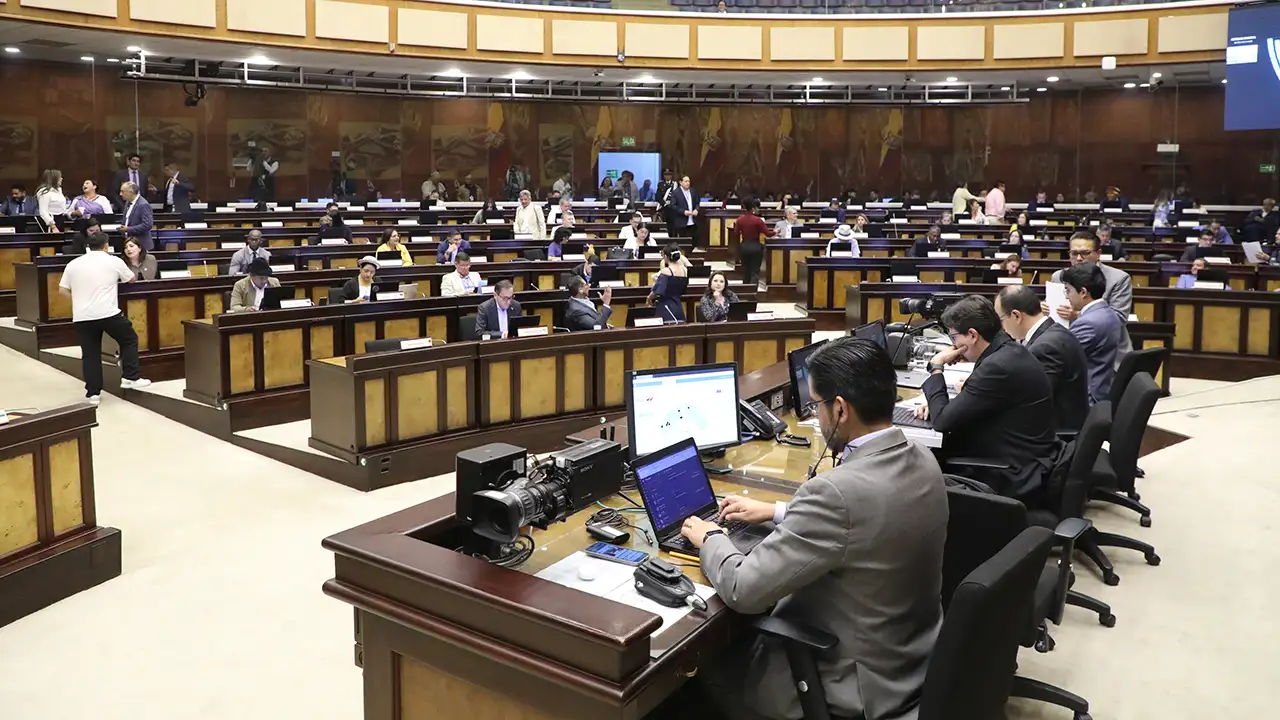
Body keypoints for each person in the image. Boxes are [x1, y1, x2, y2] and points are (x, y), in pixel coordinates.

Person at [678, 337, 946, 720]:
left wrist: (711, 537)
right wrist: (776, 511)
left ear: (839, 409)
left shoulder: (837, 492)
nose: (815, 415)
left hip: (845, 682)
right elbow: (867, 522)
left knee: (688, 671)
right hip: (910, 659)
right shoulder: (923, 457)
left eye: (816, 404)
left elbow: (743, 588)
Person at [915, 295, 1058, 500]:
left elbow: (942, 421)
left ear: (972, 335)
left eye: (954, 337)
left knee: (921, 465)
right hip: (1026, 458)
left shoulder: (997, 366)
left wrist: (936, 367)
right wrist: (938, 403)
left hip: (1010, 473)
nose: (953, 345)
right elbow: (973, 404)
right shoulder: (1008, 351)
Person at [57, 233, 151, 404]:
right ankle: (130, 377)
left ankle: (93, 394)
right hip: (108, 313)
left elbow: (62, 290)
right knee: (129, 339)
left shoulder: (73, 264)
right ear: (106, 246)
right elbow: (131, 279)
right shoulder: (113, 261)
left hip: (82, 316)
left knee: (90, 354)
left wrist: (78, 299)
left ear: (88, 247)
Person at [996, 285, 1090, 432]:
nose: (1002, 327)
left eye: (1001, 320)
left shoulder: (1046, 347)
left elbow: (1031, 402)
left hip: (1057, 435)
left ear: (1016, 316)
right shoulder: (1053, 332)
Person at [1048, 230, 1133, 360]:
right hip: (1070, 346)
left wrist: (1076, 315)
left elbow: (1118, 319)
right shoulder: (1058, 276)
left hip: (1108, 353)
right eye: (1074, 253)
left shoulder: (1118, 278)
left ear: (1098, 253)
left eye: (1085, 253)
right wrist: (1046, 310)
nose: (1079, 258)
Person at [1062, 262, 1123, 404]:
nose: (1067, 297)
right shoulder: (1108, 313)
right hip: (1100, 390)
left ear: (1083, 292)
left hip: (1085, 400)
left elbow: (1062, 360)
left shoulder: (1087, 323)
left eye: (1068, 290)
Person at [735, 198, 775, 284]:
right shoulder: (758, 220)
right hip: (756, 247)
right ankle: (753, 291)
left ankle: (745, 288)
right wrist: (776, 231)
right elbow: (768, 234)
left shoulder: (740, 219)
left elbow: (736, 233)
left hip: (744, 246)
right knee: (755, 270)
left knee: (745, 270)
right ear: (753, 208)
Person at [646, 243, 688, 322]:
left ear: (665, 257)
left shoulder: (666, 271)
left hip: (666, 306)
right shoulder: (684, 272)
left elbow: (656, 291)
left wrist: (649, 298)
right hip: (678, 306)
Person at [119, 181, 155, 251]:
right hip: (129, 243)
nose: (120, 194)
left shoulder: (143, 204)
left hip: (141, 245)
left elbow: (147, 225)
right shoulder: (128, 202)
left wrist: (128, 229)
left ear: (131, 192)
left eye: (122, 191)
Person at [667, 175, 698, 243]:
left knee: (693, 241)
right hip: (681, 222)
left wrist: (696, 209)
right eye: (686, 181)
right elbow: (672, 206)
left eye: (689, 181)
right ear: (680, 182)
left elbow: (697, 203)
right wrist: (683, 211)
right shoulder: (676, 192)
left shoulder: (693, 191)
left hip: (692, 221)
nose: (688, 183)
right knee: (683, 242)